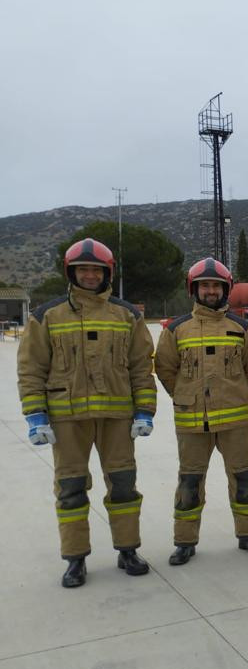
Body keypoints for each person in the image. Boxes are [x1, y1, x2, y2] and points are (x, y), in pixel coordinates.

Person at [17, 238, 156, 587]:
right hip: (67, 419)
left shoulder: (127, 315)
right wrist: (35, 415)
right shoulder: (47, 316)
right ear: (71, 272)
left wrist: (145, 411)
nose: (91, 275)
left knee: (123, 485)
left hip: (116, 418)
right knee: (71, 488)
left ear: (107, 273)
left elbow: (141, 367)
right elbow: (31, 368)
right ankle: (75, 558)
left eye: (97, 270)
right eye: (84, 269)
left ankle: (127, 550)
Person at [155, 257, 248, 565]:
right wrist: (184, 394)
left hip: (235, 421)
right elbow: (165, 368)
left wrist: (235, 392)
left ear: (225, 289)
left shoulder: (242, 329)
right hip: (192, 422)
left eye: (216, 286)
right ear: (194, 289)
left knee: (244, 478)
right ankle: (185, 541)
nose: (210, 291)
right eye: (204, 286)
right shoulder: (177, 330)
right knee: (190, 483)